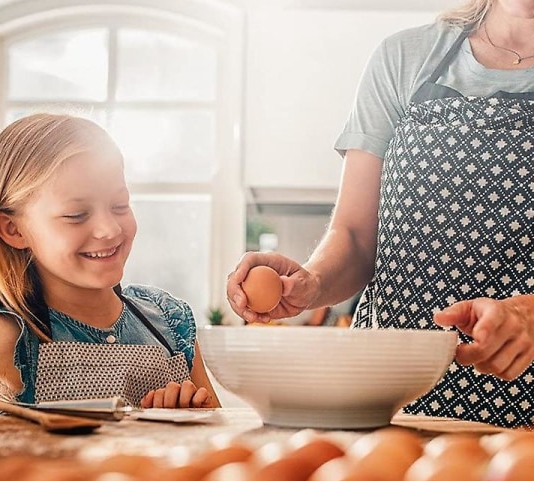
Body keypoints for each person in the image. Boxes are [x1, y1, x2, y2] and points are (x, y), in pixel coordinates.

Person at [228, 0, 534, 428]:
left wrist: (529, 315)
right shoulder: (405, 58)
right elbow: (354, 236)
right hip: (390, 401)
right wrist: (310, 282)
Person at [0, 113, 219, 411]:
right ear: (14, 229)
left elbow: (224, 441)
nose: (109, 229)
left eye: (119, 205)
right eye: (76, 215)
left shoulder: (168, 321)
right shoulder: (2, 338)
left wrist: (190, 420)